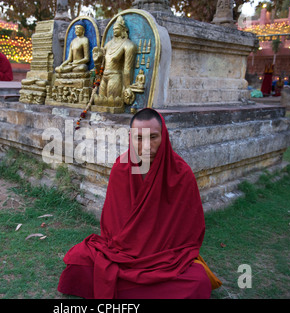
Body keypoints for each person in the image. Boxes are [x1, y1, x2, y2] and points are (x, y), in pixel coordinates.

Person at [57, 108, 221, 299]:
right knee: (78, 260)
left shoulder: (180, 174)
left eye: (153, 137)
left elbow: (189, 235)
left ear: (164, 136)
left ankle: (128, 289)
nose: (146, 147)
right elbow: (112, 228)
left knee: (198, 279)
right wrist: (128, 255)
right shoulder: (122, 168)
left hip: (164, 259)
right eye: (139, 138)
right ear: (130, 137)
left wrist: (153, 256)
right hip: (122, 255)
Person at [93, 15, 137, 100]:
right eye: (113, 29)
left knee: (112, 101)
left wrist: (127, 87)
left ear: (123, 29)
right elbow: (101, 68)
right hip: (104, 76)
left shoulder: (128, 45)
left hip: (115, 76)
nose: (114, 31)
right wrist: (97, 61)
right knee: (100, 100)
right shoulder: (108, 45)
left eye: (117, 28)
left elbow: (127, 69)